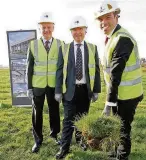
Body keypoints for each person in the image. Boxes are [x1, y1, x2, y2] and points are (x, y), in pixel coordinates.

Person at [95, 1, 143, 160]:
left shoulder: (122, 39)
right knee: (116, 125)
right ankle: (113, 153)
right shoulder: (111, 37)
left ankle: (122, 157)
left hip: (128, 95)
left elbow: (115, 73)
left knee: (123, 129)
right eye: (100, 19)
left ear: (116, 16)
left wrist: (109, 103)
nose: (104, 22)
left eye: (108, 17)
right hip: (118, 94)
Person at [55, 16, 101, 159]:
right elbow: (59, 70)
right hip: (69, 91)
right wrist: (58, 91)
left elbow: (97, 70)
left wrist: (96, 90)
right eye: (74, 30)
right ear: (71, 32)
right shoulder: (64, 48)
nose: (77, 32)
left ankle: (81, 141)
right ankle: (64, 148)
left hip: (85, 91)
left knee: (82, 119)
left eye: (80, 29)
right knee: (68, 121)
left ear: (85, 31)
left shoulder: (93, 48)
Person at [26, 12, 64, 153]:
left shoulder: (61, 44)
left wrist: (61, 88)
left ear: (53, 27)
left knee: (55, 111)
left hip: (54, 86)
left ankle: (55, 134)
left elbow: (62, 68)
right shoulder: (33, 45)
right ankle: (38, 140)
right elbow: (29, 68)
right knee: (37, 113)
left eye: (49, 27)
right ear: (39, 28)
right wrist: (29, 87)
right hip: (38, 85)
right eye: (43, 27)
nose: (46, 30)